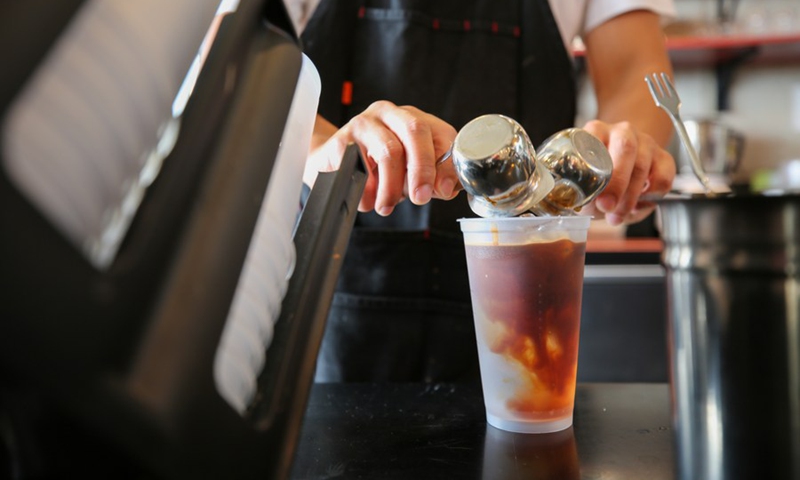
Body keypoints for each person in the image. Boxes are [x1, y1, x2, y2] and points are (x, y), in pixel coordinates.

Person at [289, 0, 678, 382]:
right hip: (336, 286)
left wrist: (625, 152)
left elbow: (633, 68)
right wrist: (319, 144)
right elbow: (252, 64)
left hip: (527, 283)